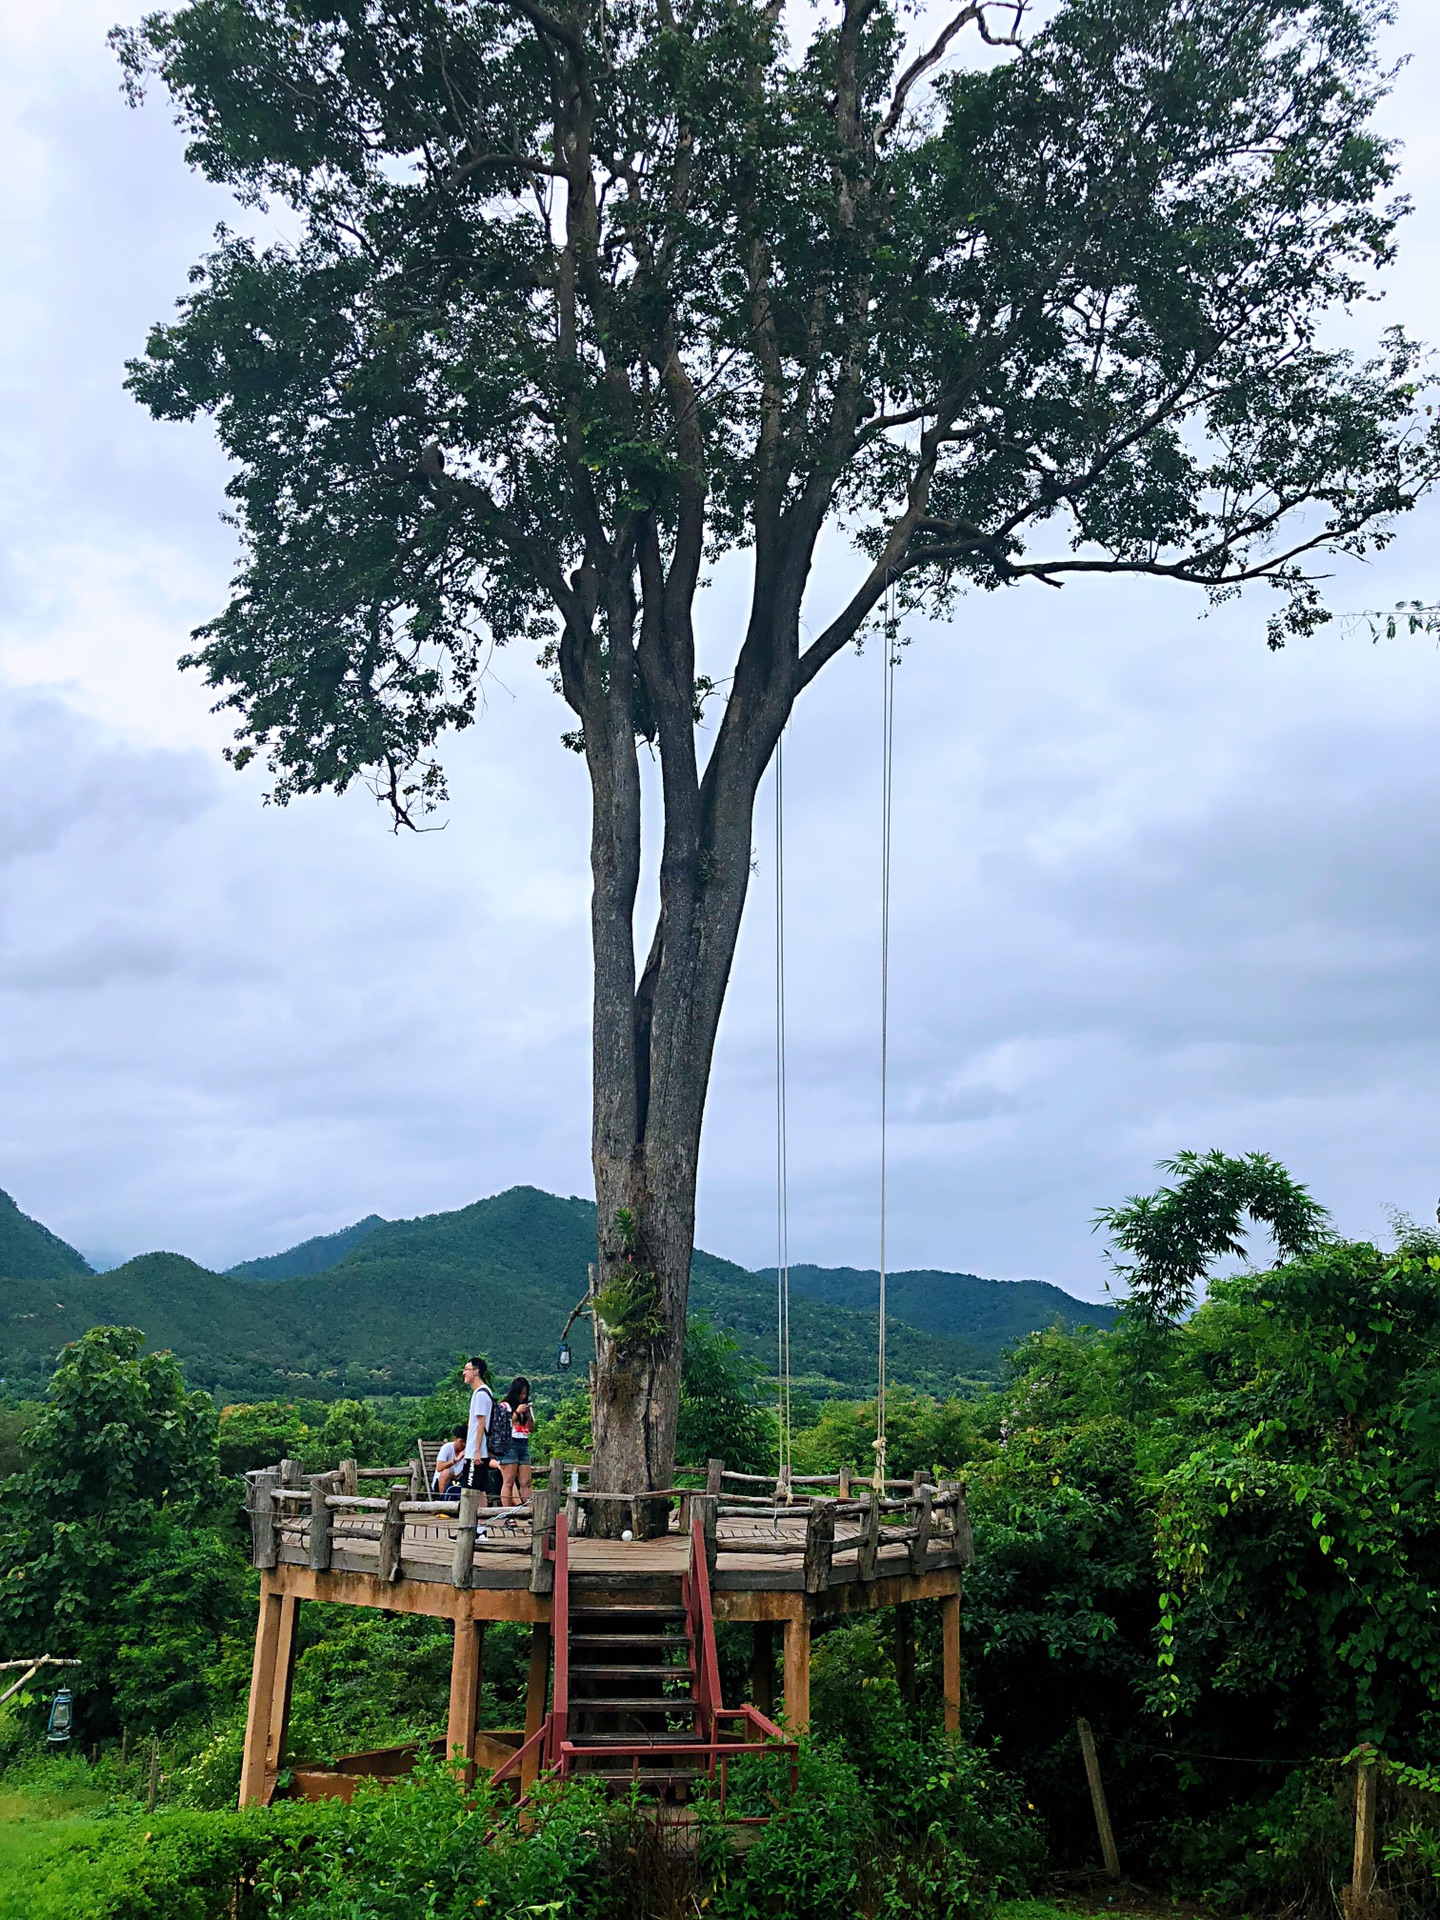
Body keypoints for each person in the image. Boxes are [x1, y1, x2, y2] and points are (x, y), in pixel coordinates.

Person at [496, 1377, 535, 1507]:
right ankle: (507, 1514)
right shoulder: (505, 1405)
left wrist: (528, 1415)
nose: (523, 1396)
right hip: (509, 1443)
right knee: (509, 1481)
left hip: (523, 1442)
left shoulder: (527, 1407)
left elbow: (532, 1428)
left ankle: (530, 1511)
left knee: (526, 1481)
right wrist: (516, 1412)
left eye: (525, 1393)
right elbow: (502, 1424)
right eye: (521, 1393)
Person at [461, 1356, 493, 1510]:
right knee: (479, 1490)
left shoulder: (480, 1394)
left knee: (471, 1490)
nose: (464, 1373)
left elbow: (481, 1423)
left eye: (467, 1369)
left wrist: (476, 1450)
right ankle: (478, 1528)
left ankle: (473, 1527)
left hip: (477, 1452)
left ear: (476, 1372)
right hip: (476, 1450)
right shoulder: (483, 1392)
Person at [434, 1425, 466, 1499]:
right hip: (441, 1482)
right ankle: (442, 1500)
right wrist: (455, 1460)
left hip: (459, 1482)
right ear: (454, 1439)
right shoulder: (446, 1448)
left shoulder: (467, 1450)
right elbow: (439, 1467)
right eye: (461, 1442)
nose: (463, 1444)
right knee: (446, 1472)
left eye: (465, 1442)